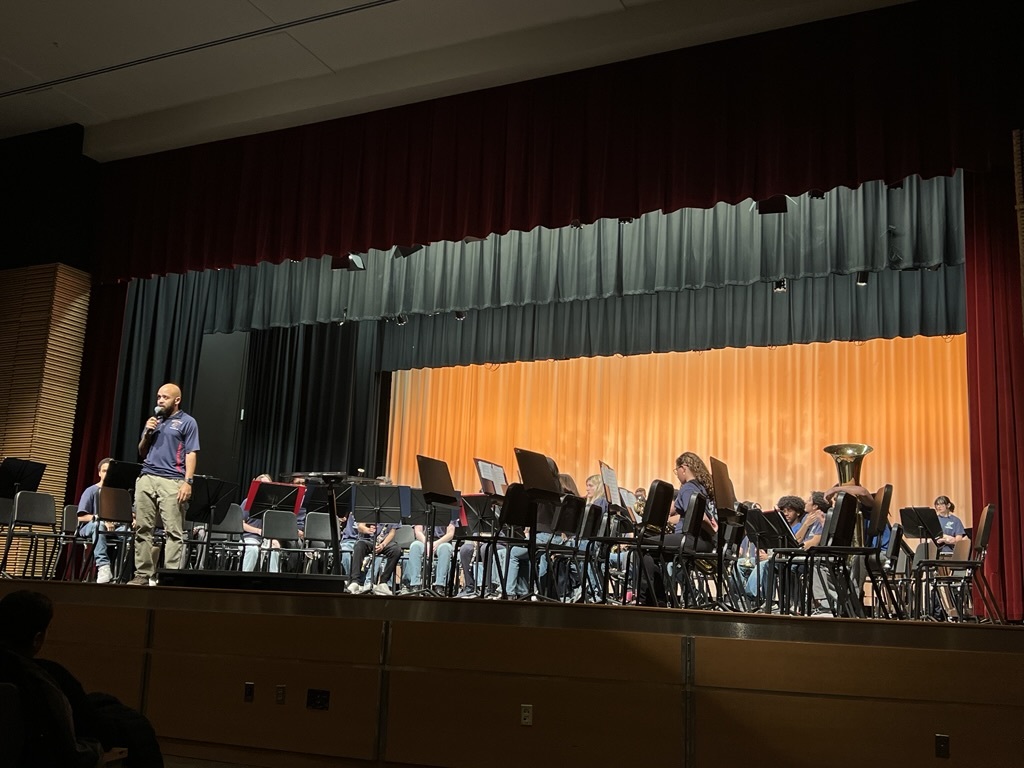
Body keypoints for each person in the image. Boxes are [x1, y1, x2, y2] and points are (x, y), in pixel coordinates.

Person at [0, 590, 164, 768]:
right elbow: (75, 739)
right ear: (37, 638)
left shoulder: (27, 672)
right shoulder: (42, 678)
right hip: (59, 747)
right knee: (133, 724)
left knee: (103, 701)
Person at [129, 383, 200, 586]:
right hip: (147, 477)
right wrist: (148, 433)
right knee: (143, 528)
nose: (160, 401)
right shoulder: (154, 421)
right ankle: (142, 574)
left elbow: (191, 453)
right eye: (159, 397)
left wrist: (188, 482)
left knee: (173, 532)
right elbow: (141, 451)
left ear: (176, 400)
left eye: (165, 397)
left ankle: (171, 577)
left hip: (172, 480)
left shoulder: (188, 422)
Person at [76, 458, 114, 584]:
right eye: (104, 471)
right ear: (99, 473)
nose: (106, 474)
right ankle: (103, 566)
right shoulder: (91, 491)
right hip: (90, 526)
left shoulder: (117, 493)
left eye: (109, 471)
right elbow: (81, 517)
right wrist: (100, 518)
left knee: (128, 531)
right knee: (99, 525)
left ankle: (123, 571)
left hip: (112, 528)